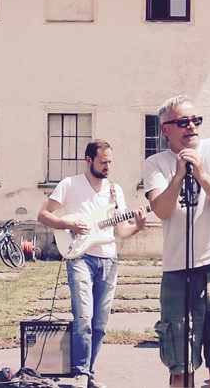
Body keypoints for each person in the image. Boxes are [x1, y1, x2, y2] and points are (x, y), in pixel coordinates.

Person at [143, 95, 210, 388]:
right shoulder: (155, 163)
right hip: (179, 274)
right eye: (183, 122)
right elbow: (162, 210)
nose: (191, 127)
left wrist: (199, 172)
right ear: (165, 129)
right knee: (181, 368)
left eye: (196, 120)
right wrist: (177, 176)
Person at [38, 139, 147, 388]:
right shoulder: (69, 184)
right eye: (103, 161)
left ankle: (88, 372)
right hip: (80, 257)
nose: (108, 166)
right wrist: (69, 224)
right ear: (89, 160)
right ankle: (80, 374)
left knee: (99, 324)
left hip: (109, 259)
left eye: (110, 161)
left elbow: (122, 230)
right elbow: (43, 214)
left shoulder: (115, 190)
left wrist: (138, 226)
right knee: (83, 318)